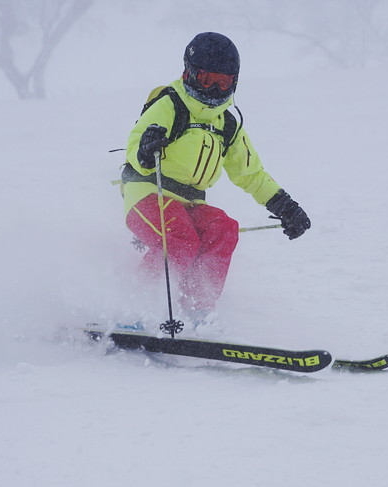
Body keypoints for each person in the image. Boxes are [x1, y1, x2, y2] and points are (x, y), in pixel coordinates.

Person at [122, 32, 310, 324]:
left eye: (224, 82)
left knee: (223, 229)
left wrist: (286, 207)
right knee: (180, 240)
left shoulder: (227, 123)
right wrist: (147, 148)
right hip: (148, 193)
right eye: (208, 79)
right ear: (190, 73)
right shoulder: (170, 105)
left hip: (191, 202)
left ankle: (196, 311)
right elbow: (136, 145)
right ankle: (135, 309)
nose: (214, 89)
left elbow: (251, 173)